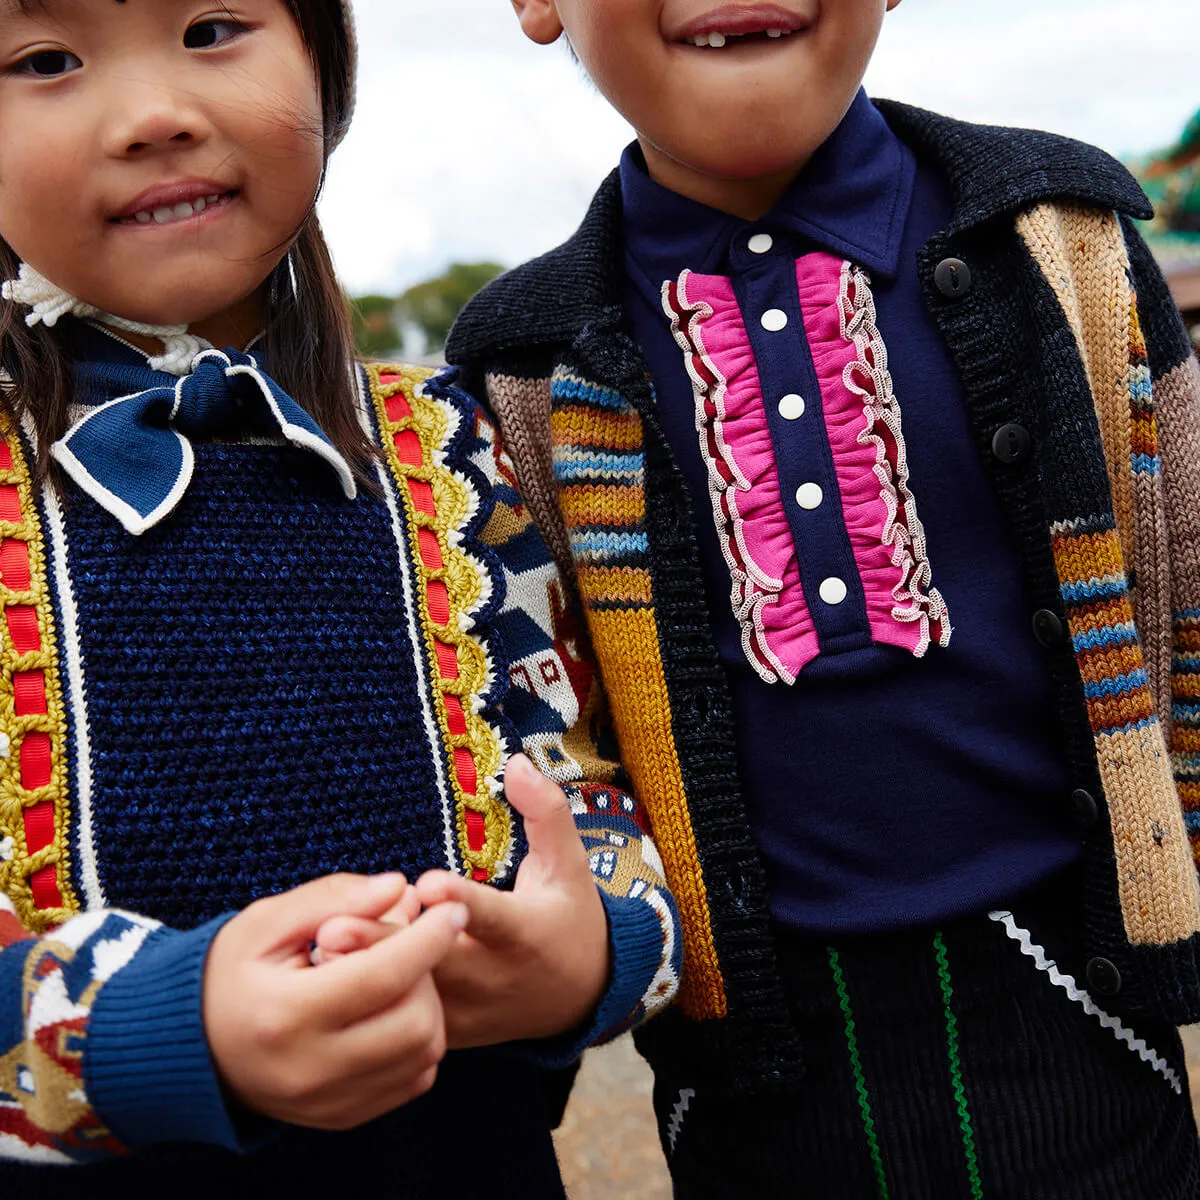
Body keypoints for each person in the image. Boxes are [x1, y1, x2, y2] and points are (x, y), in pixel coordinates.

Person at [447, 1, 1200, 1195]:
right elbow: (552, 731)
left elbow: (1186, 577)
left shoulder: (1067, 238)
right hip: (758, 1062)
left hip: (1084, 1007)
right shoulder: (519, 367)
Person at [0, 1, 680, 1194]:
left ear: (326, 58)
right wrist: (166, 1030)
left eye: (213, 27)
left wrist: (587, 954)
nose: (157, 116)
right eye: (45, 60)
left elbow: (587, 793)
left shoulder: (458, 449)